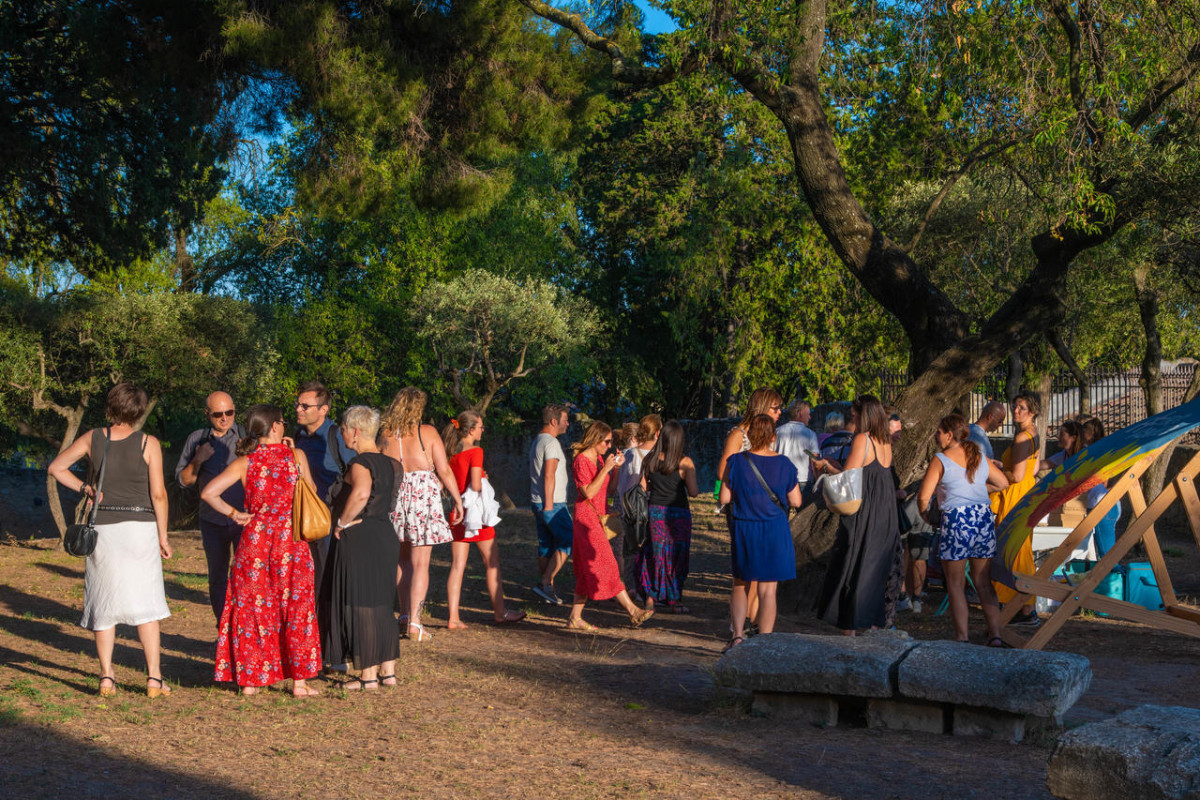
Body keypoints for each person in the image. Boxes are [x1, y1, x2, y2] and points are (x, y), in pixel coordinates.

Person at [48, 383, 173, 697]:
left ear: (110, 407)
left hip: (104, 527)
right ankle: (154, 678)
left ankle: (106, 676)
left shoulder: (93, 438)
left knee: (103, 602)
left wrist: (85, 489)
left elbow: (56, 468)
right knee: (147, 604)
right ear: (140, 411)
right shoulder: (149, 443)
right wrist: (163, 535)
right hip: (141, 528)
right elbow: (158, 494)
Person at [201, 404, 322, 697]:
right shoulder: (297, 457)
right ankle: (299, 683)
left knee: (253, 609)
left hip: (254, 540)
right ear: (277, 427)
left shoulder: (246, 461)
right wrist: (295, 459)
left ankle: (251, 681)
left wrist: (235, 514)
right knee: (296, 607)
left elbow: (208, 493)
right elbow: (313, 494)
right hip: (290, 541)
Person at [322, 406, 401, 690]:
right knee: (382, 604)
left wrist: (342, 523)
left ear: (355, 432)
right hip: (384, 534)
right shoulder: (390, 463)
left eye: (342, 428)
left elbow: (362, 493)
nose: (341, 433)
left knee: (361, 605)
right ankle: (387, 672)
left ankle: (368, 676)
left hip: (361, 536)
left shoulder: (360, 463)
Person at [917, 414, 1009, 645]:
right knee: (983, 581)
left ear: (949, 434)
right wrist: (976, 490)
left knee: (955, 583)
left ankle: (962, 636)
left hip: (956, 519)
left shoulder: (941, 459)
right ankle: (995, 634)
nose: (936, 436)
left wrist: (926, 514)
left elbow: (923, 496)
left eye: (938, 432)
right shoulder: (977, 455)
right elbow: (1003, 483)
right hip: (982, 518)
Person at [381, 387, 463, 642]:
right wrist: (458, 501)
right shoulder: (426, 432)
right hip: (422, 499)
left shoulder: (384, 435)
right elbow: (445, 470)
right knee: (420, 563)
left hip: (395, 497)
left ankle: (403, 615)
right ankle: (415, 623)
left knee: (402, 560)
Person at [815, 395, 900, 635]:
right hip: (885, 513)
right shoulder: (884, 441)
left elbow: (849, 475)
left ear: (865, 415)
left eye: (854, 415)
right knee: (874, 572)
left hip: (866, 513)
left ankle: (849, 628)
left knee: (853, 566)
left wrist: (825, 466)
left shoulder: (863, 439)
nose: (852, 420)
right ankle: (870, 626)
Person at [719, 414, 802, 651]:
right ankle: (764, 642)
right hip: (775, 529)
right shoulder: (785, 464)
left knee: (740, 584)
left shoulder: (735, 462)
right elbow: (796, 500)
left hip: (745, 527)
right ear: (773, 437)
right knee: (768, 589)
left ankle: (736, 635)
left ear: (750, 436)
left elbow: (724, 497)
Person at [566, 421, 654, 631]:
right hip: (586, 520)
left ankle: (574, 618)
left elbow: (610, 488)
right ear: (595, 439)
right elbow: (587, 492)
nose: (609, 445)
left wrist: (614, 469)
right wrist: (605, 468)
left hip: (596, 518)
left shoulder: (597, 459)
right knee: (607, 564)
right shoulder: (581, 461)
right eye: (606, 441)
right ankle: (633, 611)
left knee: (587, 568)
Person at [441, 410, 526, 629]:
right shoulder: (476, 451)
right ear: (470, 430)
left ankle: (453, 617)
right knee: (492, 563)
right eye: (480, 426)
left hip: (456, 513)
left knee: (457, 565)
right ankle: (501, 612)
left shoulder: (450, 450)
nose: (483, 429)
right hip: (475, 515)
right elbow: (476, 486)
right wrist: (483, 477)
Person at [715, 387, 783, 631]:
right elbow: (723, 471)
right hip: (742, 507)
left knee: (760, 570)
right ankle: (741, 625)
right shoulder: (739, 434)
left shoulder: (771, 434)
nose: (780, 412)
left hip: (763, 509)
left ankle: (753, 621)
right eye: (776, 408)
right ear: (762, 407)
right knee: (746, 570)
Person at [175, 390, 245, 621]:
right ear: (207, 414)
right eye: (218, 414)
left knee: (246, 576)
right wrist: (198, 459)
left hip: (242, 520)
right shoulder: (197, 439)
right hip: (212, 521)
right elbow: (184, 481)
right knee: (217, 578)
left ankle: (243, 632)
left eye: (229, 412)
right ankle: (222, 628)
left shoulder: (247, 437)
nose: (225, 418)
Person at [293, 381, 357, 594]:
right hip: (301, 518)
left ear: (323, 410)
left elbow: (356, 473)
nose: (298, 409)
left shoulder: (337, 436)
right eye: (298, 404)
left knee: (326, 574)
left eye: (305, 406)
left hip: (328, 518)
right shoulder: (297, 436)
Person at [990, 391, 1043, 626]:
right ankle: (1023, 608)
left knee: (1012, 549)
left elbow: (1018, 475)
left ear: (1032, 411)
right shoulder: (1034, 434)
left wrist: (994, 471)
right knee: (1020, 549)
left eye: (1021, 407)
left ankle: (1020, 607)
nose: (1016, 411)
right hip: (1026, 493)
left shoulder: (1023, 437)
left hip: (1016, 495)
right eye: (1015, 406)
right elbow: (1031, 470)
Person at [636, 420, 700, 614]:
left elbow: (642, 487)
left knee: (654, 553)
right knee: (676, 556)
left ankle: (650, 596)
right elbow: (694, 492)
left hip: (655, 511)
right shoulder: (685, 462)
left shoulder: (650, 461)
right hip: (678, 514)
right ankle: (674, 599)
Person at [529, 403, 573, 605]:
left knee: (546, 545)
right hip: (552, 503)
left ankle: (546, 588)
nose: (568, 423)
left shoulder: (538, 440)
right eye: (565, 420)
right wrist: (548, 505)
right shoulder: (552, 443)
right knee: (567, 540)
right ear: (554, 421)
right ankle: (546, 581)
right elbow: (549, 474)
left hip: (538, 501)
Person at [615, 414, 661, 587]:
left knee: (634, 549)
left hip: (636, 507)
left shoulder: (634, 454)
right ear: (657, 433)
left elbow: (624, 486)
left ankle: (634, 585)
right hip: (651, 506)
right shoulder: (653, 455)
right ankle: (644, 585)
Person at [1078, 415, 1119, 557]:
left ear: (1090, 434)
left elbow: (1104, 480)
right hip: (1100, 504)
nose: (1080, 437)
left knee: (1107, 555)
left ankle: (1114, 578)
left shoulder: (1090, 452)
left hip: (1102, 505)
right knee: (1101, 553)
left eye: (1082, 433)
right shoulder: (1097, 451)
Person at [775, 401, 820, 497]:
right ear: (800, 413)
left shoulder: (777, 432)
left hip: (781, 479)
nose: (810, 417)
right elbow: (815, 462)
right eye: (808, 414)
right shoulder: (810, 435)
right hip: (803, 480)